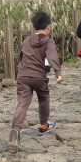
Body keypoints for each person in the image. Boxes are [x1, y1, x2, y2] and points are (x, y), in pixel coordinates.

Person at [8, 11, 62, 153]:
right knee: (43, 98)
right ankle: (43, 126)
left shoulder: (26, 41)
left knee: (23, 103)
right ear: (48, 26)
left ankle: (15, 131)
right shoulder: (48, 41)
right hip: (39, 77)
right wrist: (57, 72)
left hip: (23, 76)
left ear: (33, 27)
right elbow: (52, 57)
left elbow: (21, 56)